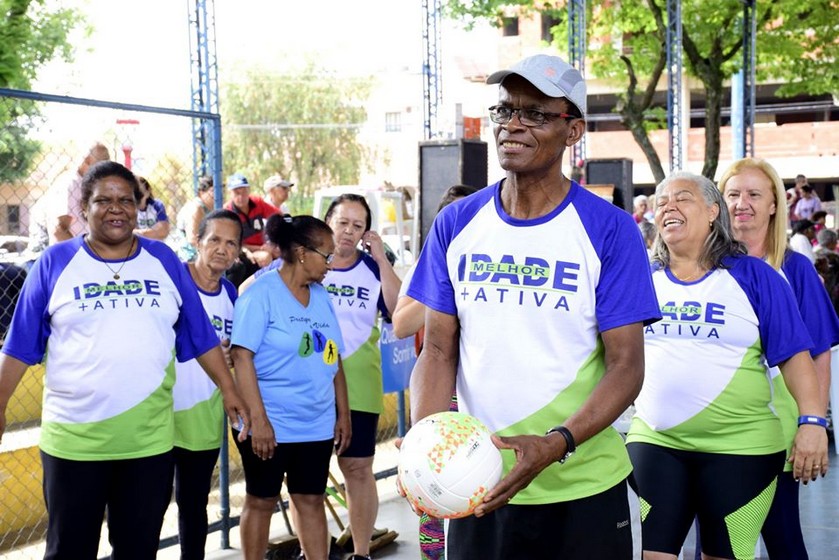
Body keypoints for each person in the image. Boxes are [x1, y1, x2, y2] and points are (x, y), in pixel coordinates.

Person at [405, 54, 660, 559]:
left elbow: (628, 366)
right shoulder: (457, 223)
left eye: (536, 114)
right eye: (505, 111)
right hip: (483, 486)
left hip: (582, 486)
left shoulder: (610, 230)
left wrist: (558, 442)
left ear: (573, 131)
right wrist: (428, 452)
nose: (513, 125)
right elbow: (436, 352)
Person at [0, 160, 250, 559]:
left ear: (138, 207)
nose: (116, 208)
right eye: (103, 200)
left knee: (137, 550)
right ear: (84, 208)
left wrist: (229, 388)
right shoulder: (55, 262)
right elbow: (18, 345)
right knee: (69, 550)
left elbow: (199, 333)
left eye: (126, 200)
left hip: (147, 444)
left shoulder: (164, 261)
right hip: (74, 444)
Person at [718, 157, 839, 559]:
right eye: (732, 194)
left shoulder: (795, 269)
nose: (741, 203)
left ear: (774, 204)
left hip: (776, 438)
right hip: (711, 437)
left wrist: (814, 424)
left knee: (784, 542)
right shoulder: (705, 269)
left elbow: (819, 353)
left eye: (754, 194)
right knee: (716, 546)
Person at [230, 213, 350, 560]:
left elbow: (334, 358)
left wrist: (342, 413)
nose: (332, 263)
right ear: (301, 252)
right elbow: (241, 357)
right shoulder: (261, 293)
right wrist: (259, 420)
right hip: (270, 422)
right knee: (261, 500)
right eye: (326, 255)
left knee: (311, 499)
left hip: (316, 421)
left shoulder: (322, 296)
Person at [391, 183, 477, 560]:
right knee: (432, 488)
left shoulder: (492, 263)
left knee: (478, 486)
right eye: (454, 217)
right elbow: (401, 325)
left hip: (484, 395)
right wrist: (446, 288)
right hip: (440, 395)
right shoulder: (428, 266)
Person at [323, 193, 402, 560]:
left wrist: (381, 257)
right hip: (308, 386)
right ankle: (313, 550)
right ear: (327, 222)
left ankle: (360, 552)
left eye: (357, 225)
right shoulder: (305, 263)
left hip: (359, 383)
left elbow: (398, 311)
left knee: (357, 468)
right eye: (342, 222)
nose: (348, 232)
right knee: (307, 475)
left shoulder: (371, 269)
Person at [173, 208, 242, 560]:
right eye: (214, 239)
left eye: (231, 243)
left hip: (202, 415)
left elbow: (238, 354)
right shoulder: (174, 282)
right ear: (197, 241)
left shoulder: (231, 294)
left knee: (193, 502)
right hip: (157, 413)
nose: (221, 249)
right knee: (144, 504)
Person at [28, 142, 111, 253]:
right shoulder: (69, 183)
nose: (107, 167)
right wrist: (83, 254)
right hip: (69, 258)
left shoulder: (93, 185)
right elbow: (58, 230)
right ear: (87, 160)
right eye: (103, 161)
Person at [223, 173, 279, 286]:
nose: (241, 196)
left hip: (262, 247)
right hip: (243, 251)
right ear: (230, 194)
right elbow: (232, 242)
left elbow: (278, 217)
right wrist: (261, 248)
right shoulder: (228, 212)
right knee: (266, 257)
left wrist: (273, 243)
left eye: (244, 191)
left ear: (249, 190)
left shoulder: (257, 202)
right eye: (236, 193)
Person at [175, 175, 216, 261]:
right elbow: (192, 238)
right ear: (202, 192)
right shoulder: (197, 207)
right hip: (189, 258)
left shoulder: (208, 208)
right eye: (212, 191)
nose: (217, 194)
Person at [134, 176, 171, 240]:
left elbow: (163, 232)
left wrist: (138, 233)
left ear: (148, 192)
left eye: (139, 193)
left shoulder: (156, 205)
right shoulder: (129, 208)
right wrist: (153, 232)